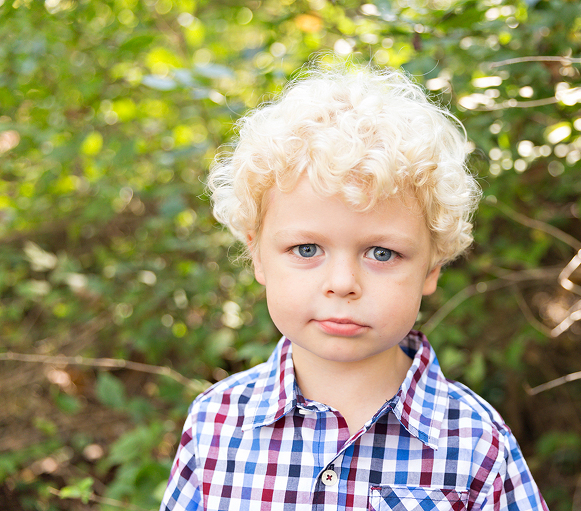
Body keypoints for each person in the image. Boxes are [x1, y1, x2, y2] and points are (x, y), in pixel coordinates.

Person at [160, 58, 548, 510]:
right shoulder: (217, 424)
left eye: (382, 253)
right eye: (307, 250)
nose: (342, 284)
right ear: (256, 255)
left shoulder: (475, 443)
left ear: (432, 268)